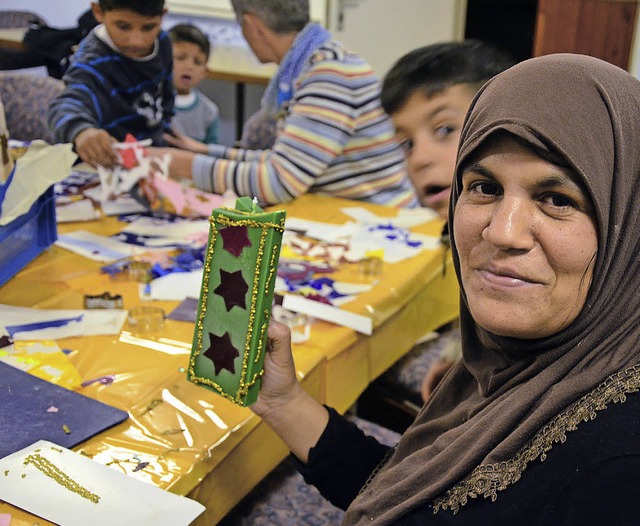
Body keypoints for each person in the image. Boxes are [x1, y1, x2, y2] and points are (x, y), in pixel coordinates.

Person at [253, 54, 640, 524]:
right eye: (483, 187)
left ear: (627, 226)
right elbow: (416, 490)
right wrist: (282, 400)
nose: (503, 232)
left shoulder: (617, 469)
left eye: (557, 200)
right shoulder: (513, 363)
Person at [151, 0, 418, 208]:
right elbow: (286, 160)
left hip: (379, 226)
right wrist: (204, 152)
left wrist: (181, 164)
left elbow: (279, 181)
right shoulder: (316, 63)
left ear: (252, 25)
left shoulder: (328, 73)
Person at [375, 40, 516, 408]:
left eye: (444, 129)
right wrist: (458, 355)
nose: (419, 158)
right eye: (406, 143)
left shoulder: (516, 237)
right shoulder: (460, 227)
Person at [47, 0, 174, 169]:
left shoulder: (163, 41)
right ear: (98, 12)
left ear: (162, 16)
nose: (136, 41)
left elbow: (166, 99)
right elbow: (65, 105)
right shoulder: (92, 62)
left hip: (152, 156)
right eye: (123, 26)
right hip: (107, 166)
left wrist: (164, 135)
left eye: (148, 27)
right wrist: (82, 131)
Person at [168, 23, 220, 145]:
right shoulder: (150, 101)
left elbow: (211, 153)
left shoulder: (209, 112)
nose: (189, 67)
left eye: (197, 62)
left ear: (205, 72)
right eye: (180, 58)